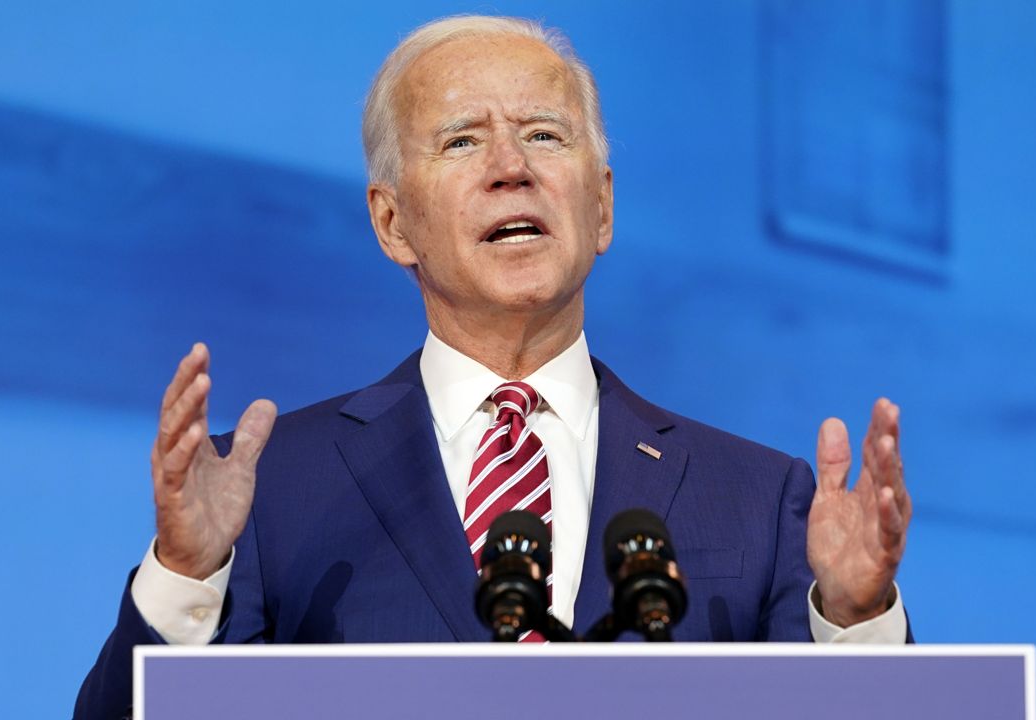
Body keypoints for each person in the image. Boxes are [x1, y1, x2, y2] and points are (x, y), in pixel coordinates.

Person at [75, 15, 913, 719]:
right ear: (393, 222)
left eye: (545, 135)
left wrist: (855, 618)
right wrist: (186, 578)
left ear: (602, 205)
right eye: (462, 140)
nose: (512, 167)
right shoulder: (273, 494)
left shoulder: (759, 502)